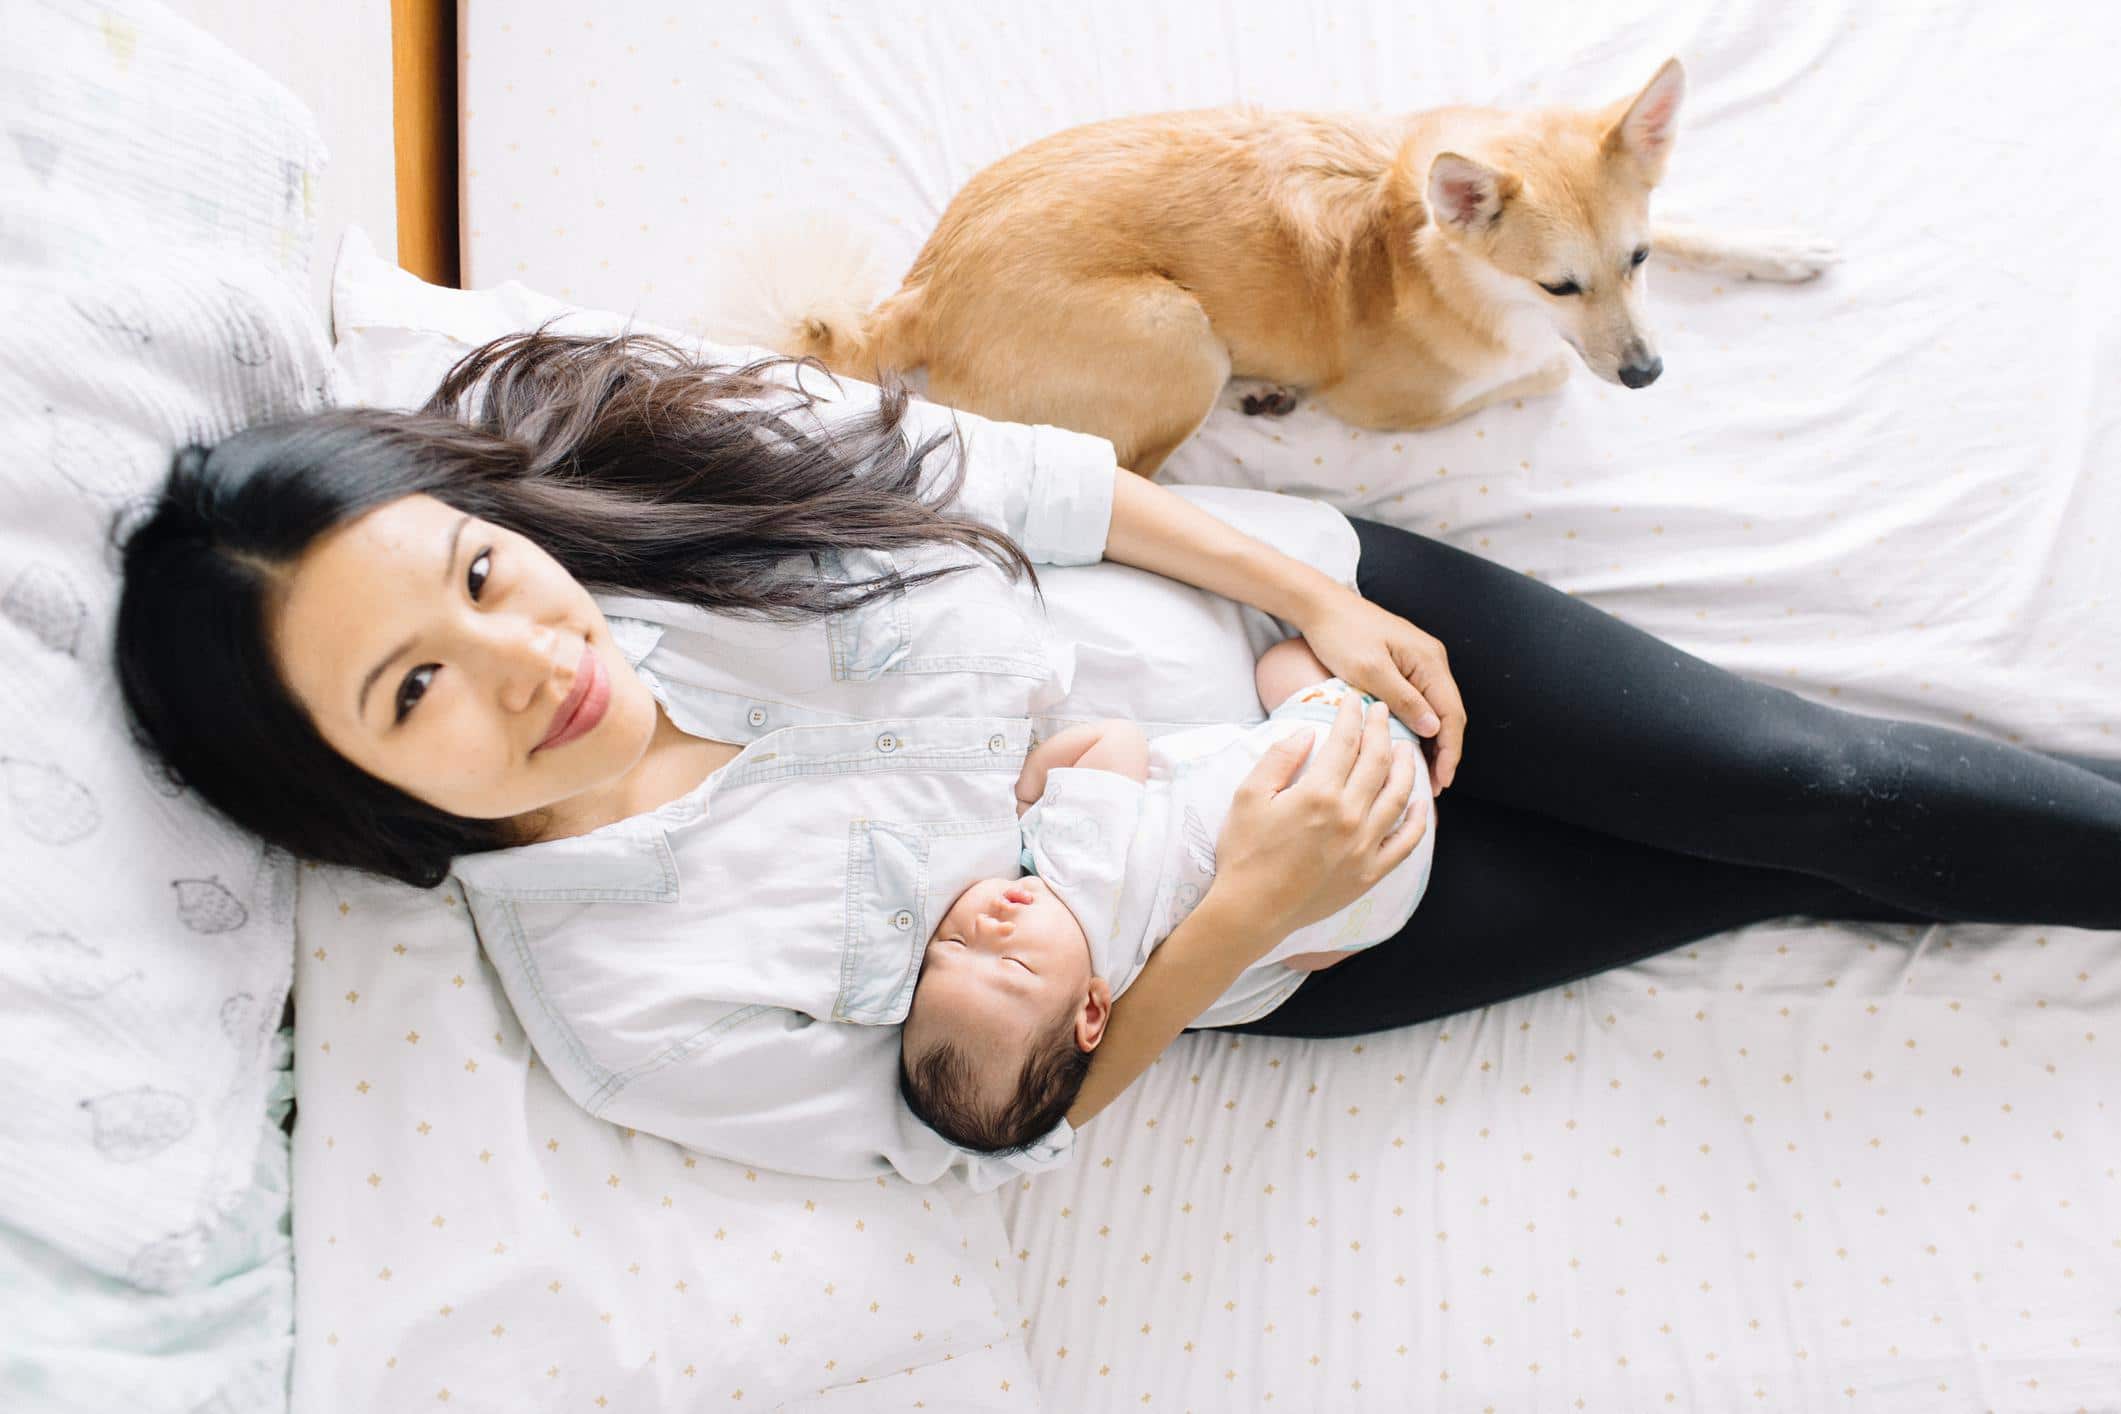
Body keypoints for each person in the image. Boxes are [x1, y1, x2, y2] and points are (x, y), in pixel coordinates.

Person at [113, 326, 2121, 1190]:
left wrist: (1306, 601)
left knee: (1817, 788)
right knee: (1767, 866)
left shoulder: (638, 509)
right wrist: (1250, 902)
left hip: (1298, 622)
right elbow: (974, 1127)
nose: (520, 650)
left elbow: (1003, 475)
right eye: (409, 692)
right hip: (1308, 927)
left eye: (474, 568)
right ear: (343, 789)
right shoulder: (627, 1001)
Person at [901, 637, 1437, 1156]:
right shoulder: (1076, 863)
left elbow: (1257, 979)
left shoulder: (1151, 988)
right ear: (1091, 1010)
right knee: (1281, 663)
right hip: (1357, 751)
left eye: (951, 943)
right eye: (1013, 962)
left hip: (1382, 900)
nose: (987, 926)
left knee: (1304, 956)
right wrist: (1025, 797)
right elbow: (1120, 741)